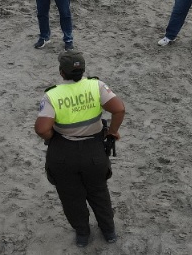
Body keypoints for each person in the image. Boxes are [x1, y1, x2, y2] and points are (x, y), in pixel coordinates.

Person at [35, 50, 126, 247]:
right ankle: (109, 231)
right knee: (99, 192)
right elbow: (119, 109)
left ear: (61, 72)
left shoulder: (52, 95)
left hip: (63, 154)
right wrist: (112, 132)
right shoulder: (96, 86)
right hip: (94, 152)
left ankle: (83, 234)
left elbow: (42, 129)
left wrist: (53, 138)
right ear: (83, 69)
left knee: (71, 196)